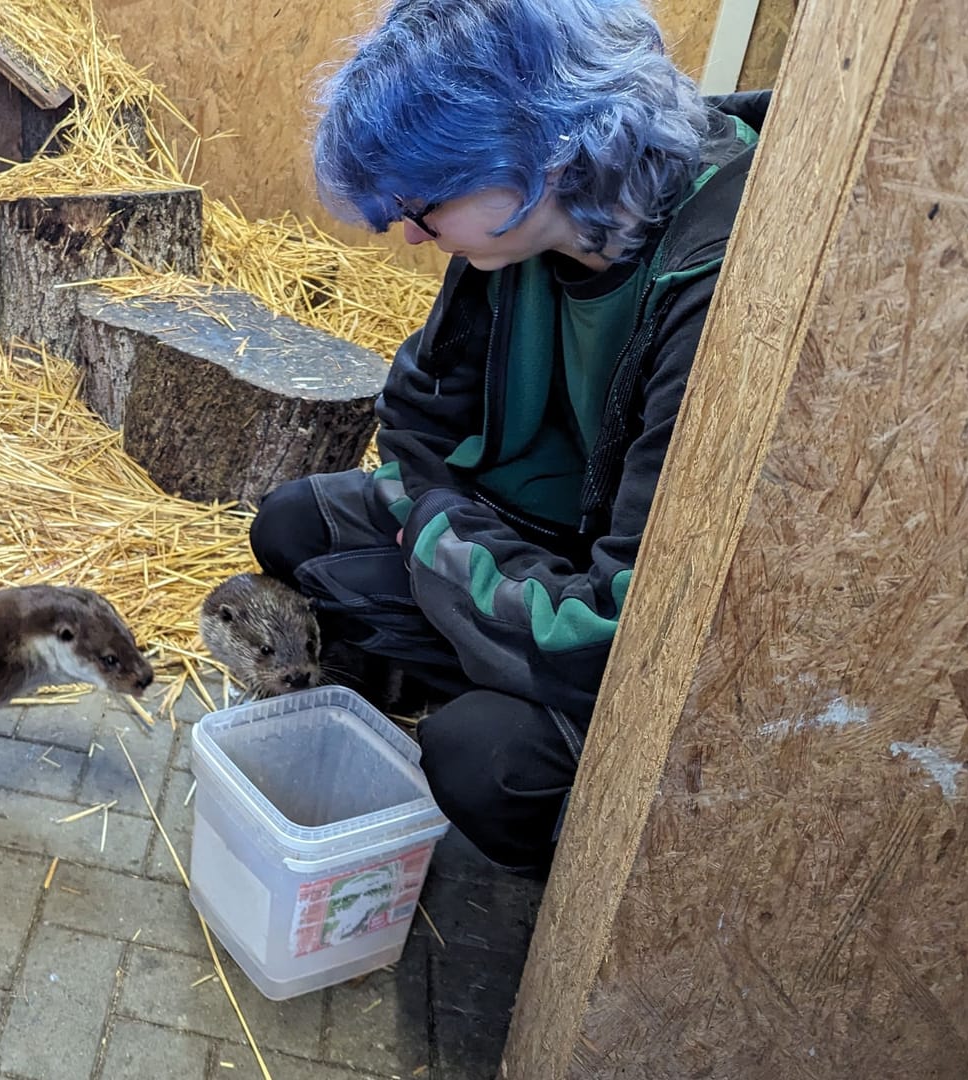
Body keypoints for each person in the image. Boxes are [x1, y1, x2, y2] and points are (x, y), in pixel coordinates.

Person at [252, 0, 768, 876]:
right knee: (291, 525)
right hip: (516, 541)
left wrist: (437, 538)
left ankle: (520, 745)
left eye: (425, 204)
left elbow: (617, 627)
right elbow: (413, 424)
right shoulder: (518, 230)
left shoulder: (721, 281)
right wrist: (449, 534)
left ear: (547, 152)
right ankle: (479, 656)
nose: (411, 233)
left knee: (479, 758)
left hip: (604, 611)